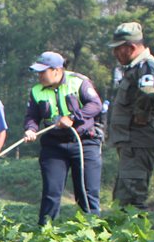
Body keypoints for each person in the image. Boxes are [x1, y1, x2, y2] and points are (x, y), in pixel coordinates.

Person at [23, 51, 104, 225]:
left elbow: (96, 105)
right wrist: (31, 129)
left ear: (57, 71)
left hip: (84, 143)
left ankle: (92, 236)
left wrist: (73, 118)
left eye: (43, 72)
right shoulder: (36, 91)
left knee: (87, 193)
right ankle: (45, 234)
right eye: (38, 72)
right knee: (51, 193)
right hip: (54, 146)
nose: (39, 76)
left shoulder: (79, 82)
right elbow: (32, 116)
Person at [107, 22, 154, 209]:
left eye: (118, 49)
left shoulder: (146, 67)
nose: (115, 54)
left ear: (131, 47)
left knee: (132, 197)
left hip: (138, 141)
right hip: (130, 142)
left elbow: (148, 93)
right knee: (123, 196)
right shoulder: (134, 68)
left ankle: (136, 236)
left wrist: (141, 115)